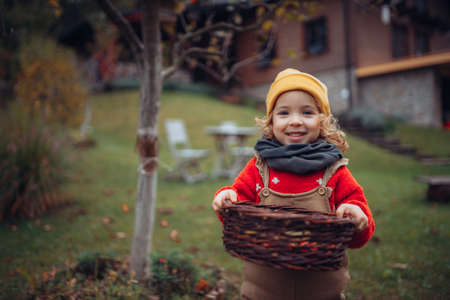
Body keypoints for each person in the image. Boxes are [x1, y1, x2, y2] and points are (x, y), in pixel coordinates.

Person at [212, 68, 375, 300]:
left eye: (307, 112)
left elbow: (359, 235)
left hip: (320, 290)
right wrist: (226, 196)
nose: (295, 121)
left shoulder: (334, 170)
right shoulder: (260, 167)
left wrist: (357, 216)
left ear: (322, 120)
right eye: (284, 113)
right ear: (271, 120)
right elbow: (237, 208)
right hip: (263, 289)